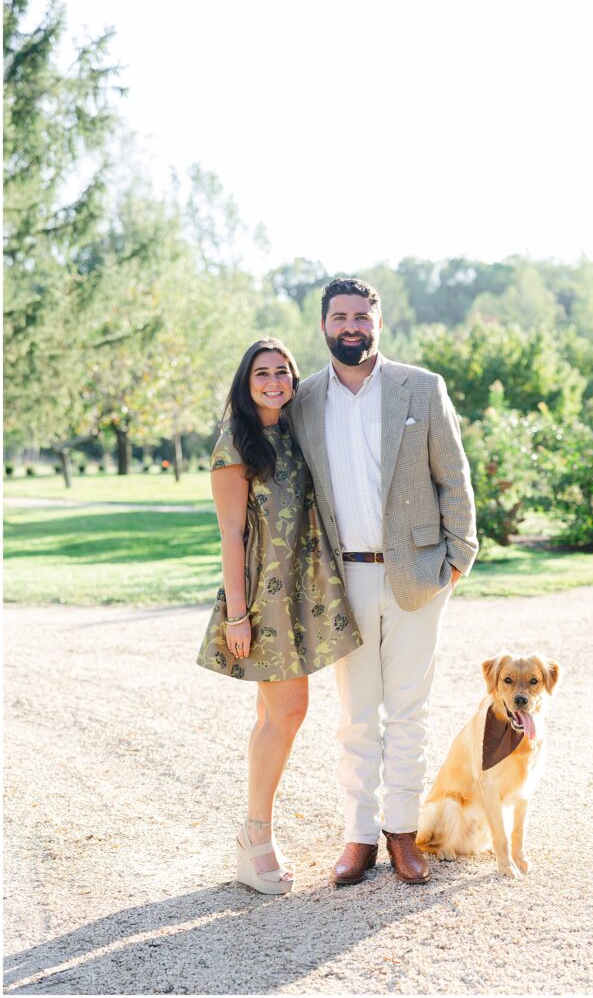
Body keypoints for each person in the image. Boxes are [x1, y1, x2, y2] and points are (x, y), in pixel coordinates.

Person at [289, 278, 478, 886]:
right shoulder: (304, 400)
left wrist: (458, 558)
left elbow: (454, 475)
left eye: (361, 316)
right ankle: (358, 837)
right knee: (355, 715)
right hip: (343, 579)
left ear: (378, 322)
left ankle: (402, 833)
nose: (351, 326)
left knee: (408, 711)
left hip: (419, 576)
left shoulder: (421, 387)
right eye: (340, 316)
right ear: (324, 325)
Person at [197, 338, 362, 895]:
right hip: (262, 600)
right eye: (261, 373)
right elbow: (229, 535)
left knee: (279, 715)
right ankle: (255, 836)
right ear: (246, 384)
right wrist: (237, 615)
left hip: (301, 591)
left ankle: (254, 835)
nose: (273, 381)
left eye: (282, 372)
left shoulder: (293, 435)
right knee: (287, 711)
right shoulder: (235, 445)